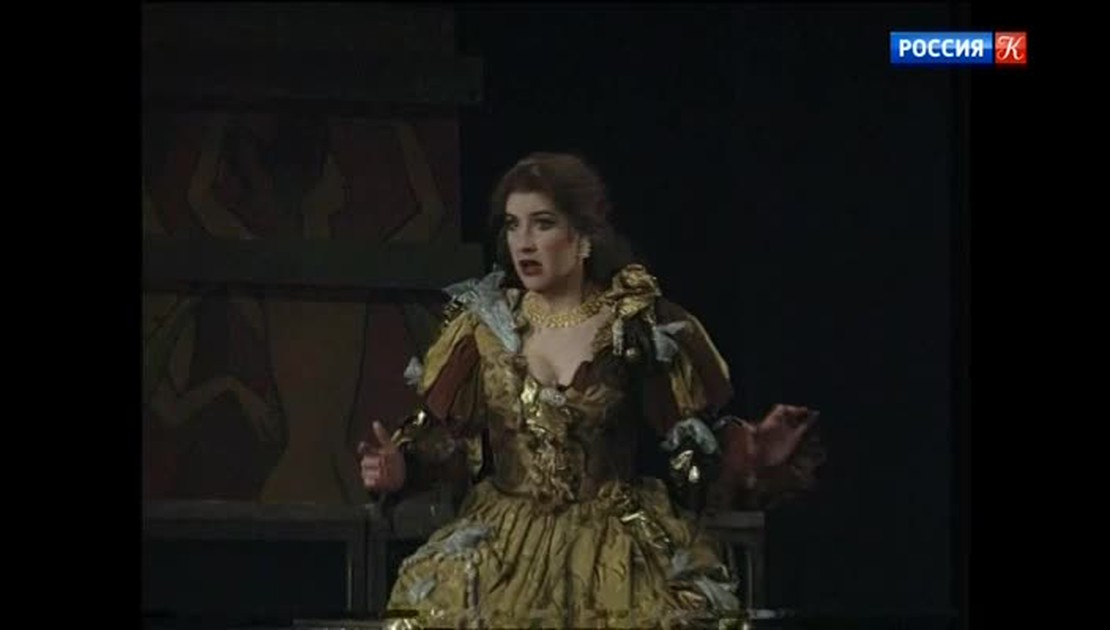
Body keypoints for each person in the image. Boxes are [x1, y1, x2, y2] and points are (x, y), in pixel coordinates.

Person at [358, 152, 824, 629]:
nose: (524, 242)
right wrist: (402, 466)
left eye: (542, 224)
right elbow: (447, 440)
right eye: (514, 225)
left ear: (582, 236)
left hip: (615, 543)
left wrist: (752, 452)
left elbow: (689, 448)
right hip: (503, 545)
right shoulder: (485, 327)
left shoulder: (633, 324)